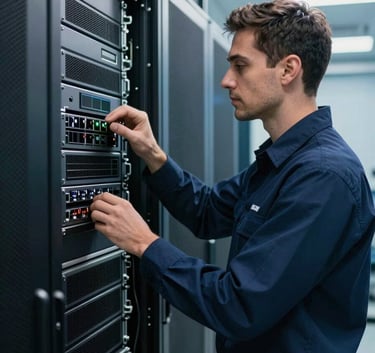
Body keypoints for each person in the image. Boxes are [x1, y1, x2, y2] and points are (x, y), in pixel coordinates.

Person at [90, 1, 375, 352]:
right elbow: (208, 211)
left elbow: (239, 305)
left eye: (240, 66)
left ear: (288, 70)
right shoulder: (282, 161)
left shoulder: (322, 177)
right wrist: (154, 156)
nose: (227, 81)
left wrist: (144, 244)